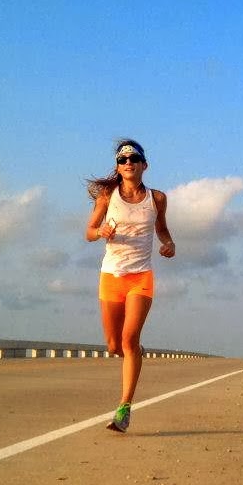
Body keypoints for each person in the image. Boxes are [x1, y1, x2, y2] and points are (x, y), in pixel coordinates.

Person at [85, 139, 175, 432]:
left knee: (128, 339)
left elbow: (161, 229)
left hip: (141, 276)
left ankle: (124, 408)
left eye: (133, 158)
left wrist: (169, 243)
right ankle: (135, 350)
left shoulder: (157, 198)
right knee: (114, 345)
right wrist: (101, 231)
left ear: (144, 165)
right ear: (117, 167)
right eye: (122, 160)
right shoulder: (107, 196)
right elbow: (89, 232)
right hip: (111, 275)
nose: (128, 163)